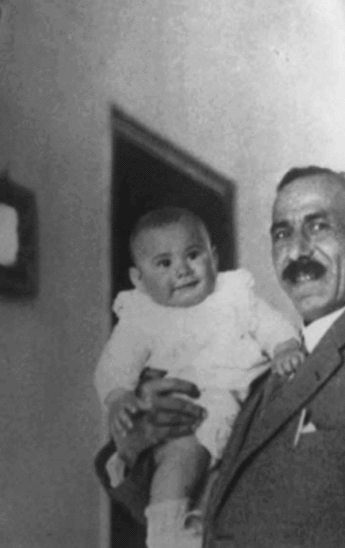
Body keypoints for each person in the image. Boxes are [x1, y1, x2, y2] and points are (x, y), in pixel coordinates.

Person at [96, 167, 345, 548]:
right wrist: (137, 446)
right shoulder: (259, 368)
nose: (297, 251)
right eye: (282, 234)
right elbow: (208, 518)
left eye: (319, 226)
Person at [94, 207, 305, 548]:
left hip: (233, 404)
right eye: (164, 263)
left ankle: (194, 530)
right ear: (139, 280)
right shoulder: (141, 317)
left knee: (218, 483)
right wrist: (119, 397)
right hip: (185, 412)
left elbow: (272, 325)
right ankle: (167, 536)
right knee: (178, 462)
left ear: (214, 258)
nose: (182, 270)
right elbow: (114, 363)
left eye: (193, 255)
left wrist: (285, 348)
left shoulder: (235, 296)